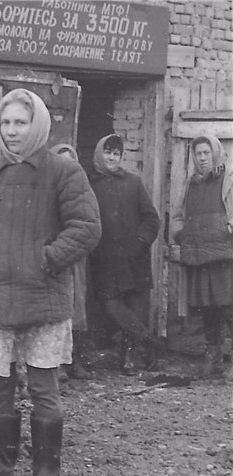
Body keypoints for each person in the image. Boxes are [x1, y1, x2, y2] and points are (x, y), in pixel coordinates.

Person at [0, 89, 100, 476]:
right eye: (6, 123)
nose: (12, 131)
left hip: (41, 299)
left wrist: (44, 260)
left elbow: (86, 227)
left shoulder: (63, 172)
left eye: (21, 122)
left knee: (42, 389)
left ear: (38, 126)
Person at [88, 134, 162, 375]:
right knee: (112, 307)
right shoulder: (89, 184)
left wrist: (139, 242)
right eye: (107, 152)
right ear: (99, 153)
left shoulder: (133, 183)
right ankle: (150, 342)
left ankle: (128, 358)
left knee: (133, 307)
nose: (111, 157)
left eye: (116, 154)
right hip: (104, 260)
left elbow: (151, 219)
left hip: (133, 259)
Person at [170, 134, 233, 378]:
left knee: (228, 306)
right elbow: (178, 215)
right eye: (198, 154)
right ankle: (213, 359)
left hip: (224, 256)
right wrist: (180, 234)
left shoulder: (228, 179)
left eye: (206, 153)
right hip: (199, 255)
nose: (202, 158)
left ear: (215, 154)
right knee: (208, 309)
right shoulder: (190, 184)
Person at [51, 144, 92, 380]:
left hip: (75, 257)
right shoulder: (47, 191)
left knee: (77, 308)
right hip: (57, 257)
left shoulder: (81, 190)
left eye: (71, 162)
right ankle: (57, 363)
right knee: (58, 310)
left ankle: (74, 359)